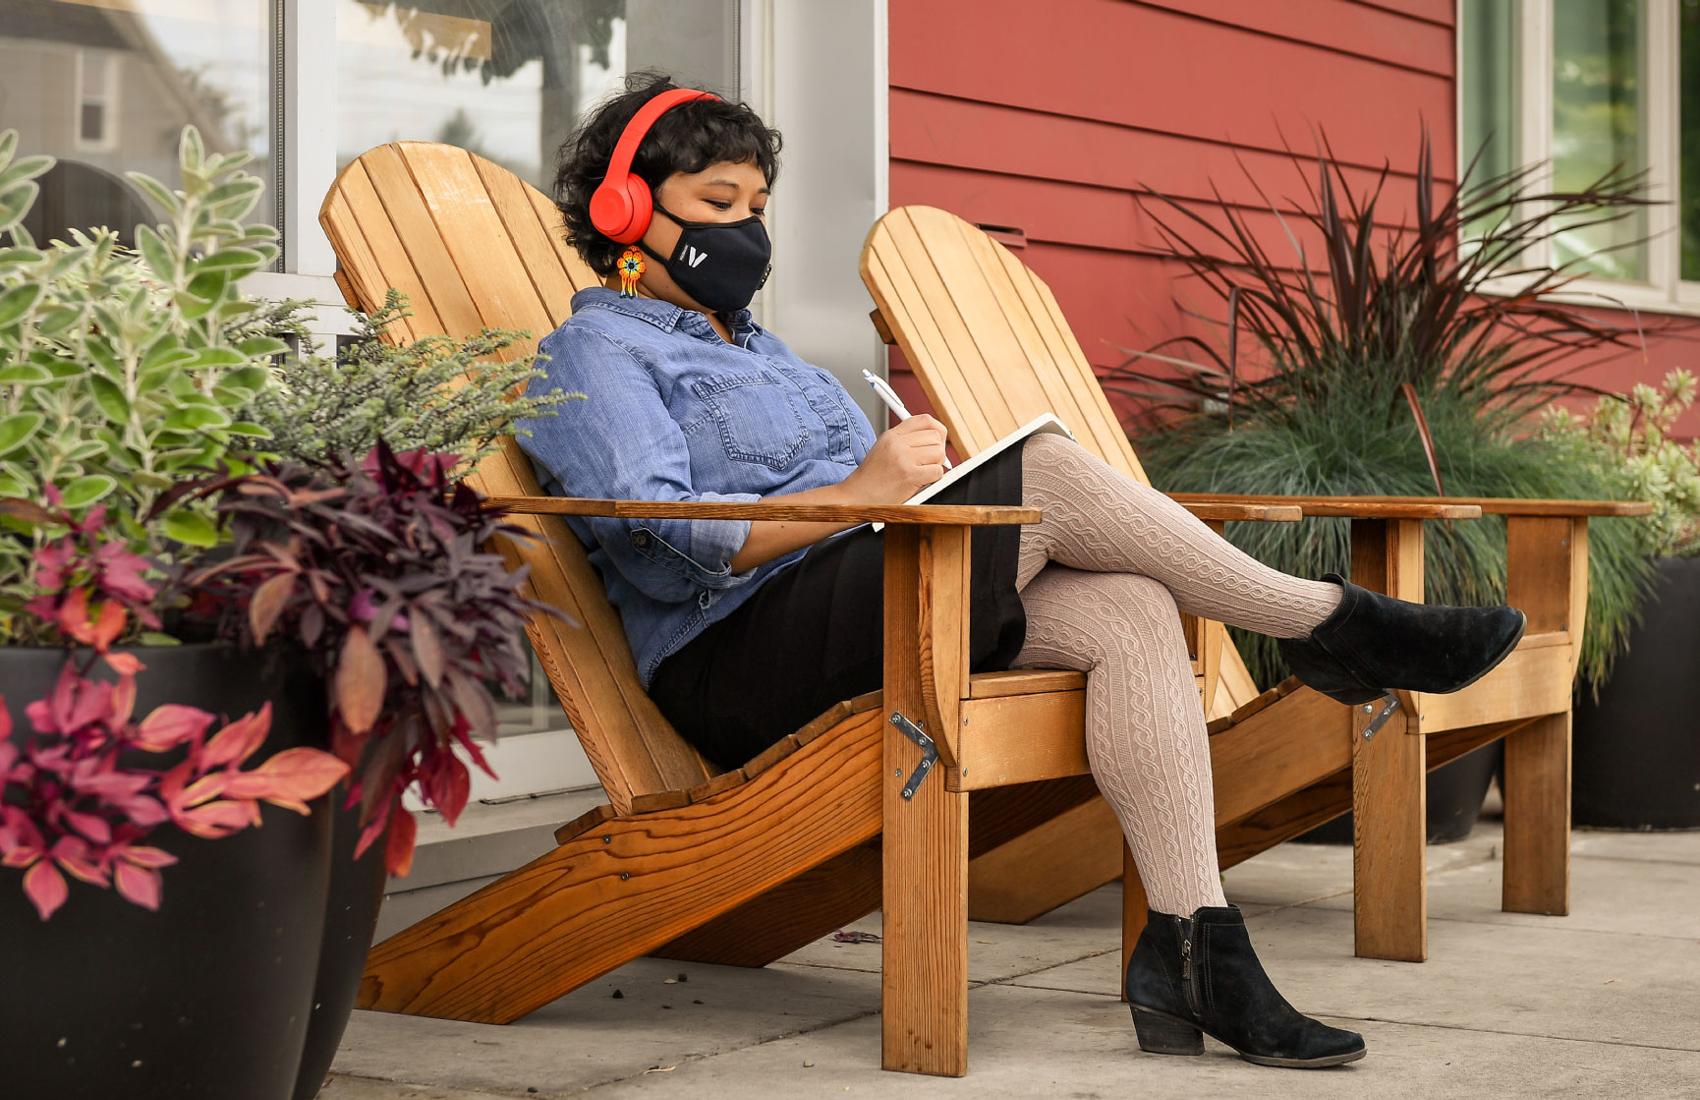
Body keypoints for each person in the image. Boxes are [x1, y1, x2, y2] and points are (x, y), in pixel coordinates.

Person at [516, 72, 1525, 1071]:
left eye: (757, 207)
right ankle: (1325, 625)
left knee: (1127, 606)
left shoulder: (772, 354)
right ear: (625, 210)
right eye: (716, 205)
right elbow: (664, 533)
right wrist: (861, 489)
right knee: (1039, 464)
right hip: (732, 652)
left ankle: (1191, 948)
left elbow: (858, 510)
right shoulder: (593, 354)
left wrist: (913, 486)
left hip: (857, 597)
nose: (746, 231)